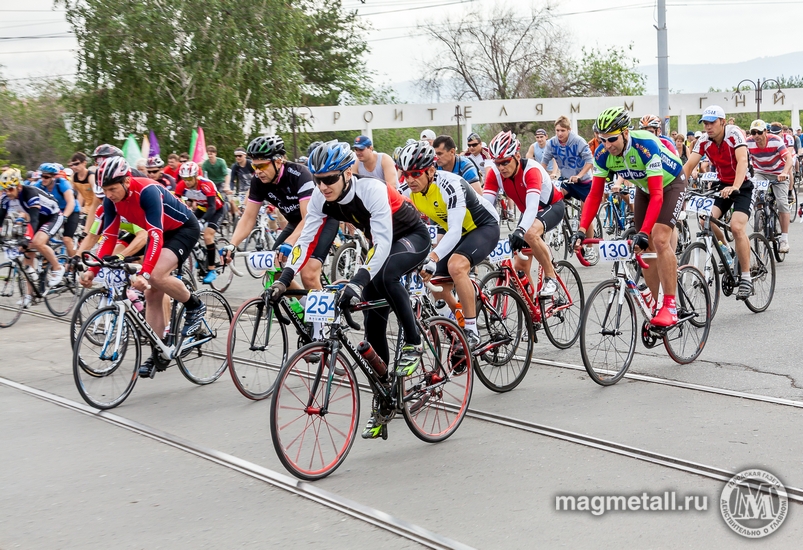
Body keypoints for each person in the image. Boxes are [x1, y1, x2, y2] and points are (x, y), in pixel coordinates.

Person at [268, 140, 431, 440]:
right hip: (382, 245)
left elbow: (382, 243)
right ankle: (384, 396)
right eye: (317, 180)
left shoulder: (371, 190)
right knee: (372, 321)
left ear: (346, 173)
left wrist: (356, 281)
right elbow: (305, 242)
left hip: (410, 236)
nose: (323, 186)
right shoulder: (320, 198)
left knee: (388, 276)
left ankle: (414, 341)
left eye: (329, 179)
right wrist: (284, 276)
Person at [80, 156, 206, 378]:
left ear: (126, 181)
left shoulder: (147, 191)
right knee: (151, 294)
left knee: (155, 276)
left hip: (182, 229)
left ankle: (195, 306)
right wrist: (93, 270)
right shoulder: (111, 202)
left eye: (112, 189)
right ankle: (159, 350)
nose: (108, 195)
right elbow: (108, 237)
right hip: (161, 232)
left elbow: (155, 234)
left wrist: (146, 273)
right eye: (104, 190)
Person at [573, 107, 687, 327]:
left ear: (626, 132)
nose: (607, 145)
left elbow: (657, 195)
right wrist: (581, 229)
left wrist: (644, 232)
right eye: (602, 140)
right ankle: (657, 304)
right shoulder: (603, 154)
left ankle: (671, 306)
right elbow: (595, 194)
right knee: (643, 249)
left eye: (612, 139)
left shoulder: (646, 145)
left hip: (671, 183)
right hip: (644, 188)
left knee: (659, 239)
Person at [399, 140, 500, 348]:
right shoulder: (406, 191)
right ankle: (458, 320)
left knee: (456, 266)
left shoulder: (450, 184)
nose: (410, 179)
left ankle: (471, 330)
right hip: (459, 232)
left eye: (416, 173)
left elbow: (453, 230)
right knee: (432, 281)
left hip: (483, 227)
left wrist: (434, 257)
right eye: (406, 174)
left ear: (431, 170)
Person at [221, 135, 338, 294]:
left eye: (262, 166)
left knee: (308, 275)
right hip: (296, 224)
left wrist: (290, 243)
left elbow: (309, 218)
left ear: (278, 161)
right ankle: (304, 309)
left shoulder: (299, 175)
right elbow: (248, 218)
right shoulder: (258, 182)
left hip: (321, 221)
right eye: (255, 167)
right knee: (273, 269)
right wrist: (232, 244)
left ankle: (326, 319)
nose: (258, 172)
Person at [683, 105, 754, 299]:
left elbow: (742, 162)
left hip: (743, 185)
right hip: (722, 186)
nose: (708, 127)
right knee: (705, 219)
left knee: (737, 227)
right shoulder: (703, 141)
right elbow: (689, 165)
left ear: (722, 122)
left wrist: (736, 186)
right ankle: (727, 250)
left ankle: (746, 277)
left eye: (712, 122)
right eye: (705, 123)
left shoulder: (734, 134)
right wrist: (677, 190)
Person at [483, 131, 565, 296]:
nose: (501, 167)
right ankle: (532, 313)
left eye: (505, 162)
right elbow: (486, 206)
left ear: (517, 156)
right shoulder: (495, 174)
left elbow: (533, 205)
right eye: (497, 163)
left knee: (529, 233)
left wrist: (520, 230)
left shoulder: (531, 170)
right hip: (528, 213)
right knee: (519, 268)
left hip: (551, 207)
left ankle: (551, 277)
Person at [0, 168, 66, 294]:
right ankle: (29, 296)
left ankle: (58, 268)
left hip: (53, 216)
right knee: (26, 253)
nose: (7, 193)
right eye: (4, 190)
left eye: (10, 189)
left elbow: (34, 220)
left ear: (19, 186)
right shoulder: (6, 199)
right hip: (38, 218)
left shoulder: (30, 193)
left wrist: (27, 238)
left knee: (36, 242)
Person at [173, 161, 225, 284]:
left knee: (207, 235)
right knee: (185, 228)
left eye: (189, 178)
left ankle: (212, 269)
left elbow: (212, 207)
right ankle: (200, 252)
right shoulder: (181, 185)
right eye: (184, 178)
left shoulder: (206, 184)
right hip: (202, 208)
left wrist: (202, 221)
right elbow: (176, 203)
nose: (187, 181)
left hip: (217, 209)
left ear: (196, 176)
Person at [746, 119, 793, 253]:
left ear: (765, 132)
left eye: (759, 132)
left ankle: (784, 239)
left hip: (778, 173)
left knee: (782, 203)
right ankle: (760, 216)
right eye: (753, 132)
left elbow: (788, 158)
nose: (756, 136)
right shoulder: (748, 142)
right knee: (754, 193)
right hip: (761, 172)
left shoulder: (775, 141)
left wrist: (784, 173)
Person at [540, 115, 594, 203]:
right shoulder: (551, 143)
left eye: (563, 130)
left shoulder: (579, 141)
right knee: (554, 197)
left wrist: (579, 176)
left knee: (584, 214)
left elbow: (590, 161)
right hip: (566, 180)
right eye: (557, 130)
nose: (560, 133)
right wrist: (541, 176)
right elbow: (544, 161)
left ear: (569, 129)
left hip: (583, 180)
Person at [36, 163, 80, 258]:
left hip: (71, 211)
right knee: (41, 236)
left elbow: (71, 202)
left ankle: (73, 264)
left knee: (67, 239)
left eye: (46, 177)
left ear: (54, 177)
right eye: (42, 176)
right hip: (54, 212)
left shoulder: (62, 183)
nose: (43, 179)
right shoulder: (39, 185)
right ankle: (47, 260)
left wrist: (64, 217)